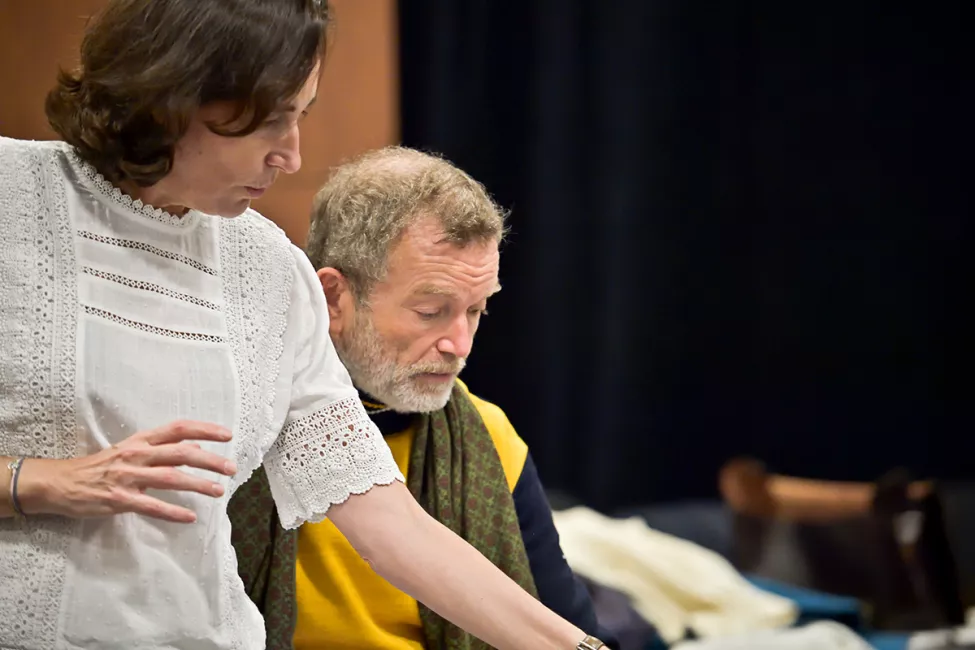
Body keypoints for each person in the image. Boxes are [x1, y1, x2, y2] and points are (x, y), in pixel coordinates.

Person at [0, 2, 609, 650]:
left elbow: (386, 520)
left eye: (300, 116)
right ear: (170, 97)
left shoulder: (268, 268)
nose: (291, 156)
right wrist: (35, 481)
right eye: (270, 121)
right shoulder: (13, 196)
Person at [228, 147, 618, 650]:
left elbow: (572, 625)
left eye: (476, 311)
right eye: (431, 311)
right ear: (333, 299)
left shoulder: (489, 436)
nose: (460, 345)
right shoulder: (240, 422)